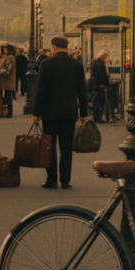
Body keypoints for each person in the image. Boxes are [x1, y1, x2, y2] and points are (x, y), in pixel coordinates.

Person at [33, 36, 90, 189]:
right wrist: (84, 113)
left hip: (49, 113)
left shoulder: (45, 64)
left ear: (53, 47)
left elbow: (41, 91)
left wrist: (36, 114)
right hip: (69, 113)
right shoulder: (76, 64)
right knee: (66, 148)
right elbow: (82, 91)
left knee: (49, 147)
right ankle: (65, 180)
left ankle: (51, 179)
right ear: (66, 47)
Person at [89, 50, 111, 122]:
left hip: (96, 85)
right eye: (106, 57)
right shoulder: (100, 64)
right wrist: (102, 84)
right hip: (99, 85)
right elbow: (100, 75)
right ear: (103, 57)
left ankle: (97, 117)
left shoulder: (95, 62)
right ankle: (97, 118)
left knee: (96, 101)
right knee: (98, 102)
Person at [0, 44, 17, 114]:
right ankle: (8, 112)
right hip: (9, 81)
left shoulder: (9, 57)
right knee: (8, 96)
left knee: (8, 97)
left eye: (6, 49)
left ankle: (9, 112)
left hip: (7, 81)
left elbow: (8, 69)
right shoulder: (12, 57)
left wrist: (0, 71)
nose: (4, 50)